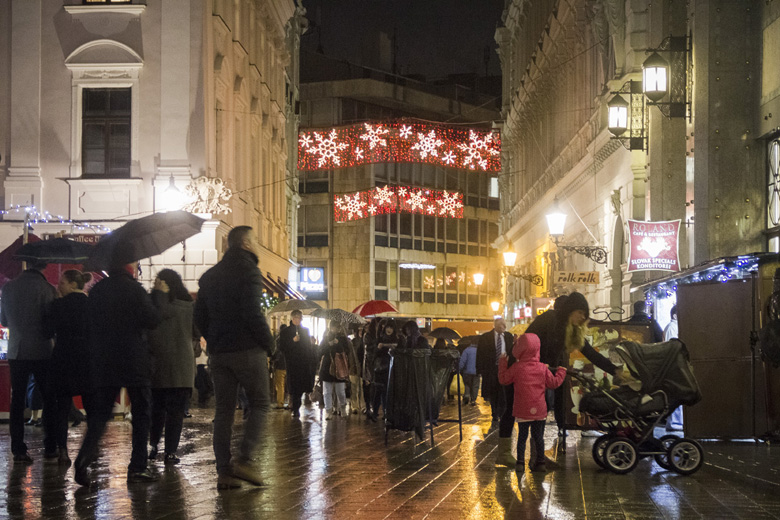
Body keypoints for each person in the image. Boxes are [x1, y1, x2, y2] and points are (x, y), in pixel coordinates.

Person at [194, 226, 273, 490]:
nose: (259, 245)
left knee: (224, 411)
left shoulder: (209, 277)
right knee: (261, 403)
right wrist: (270, 344)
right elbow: (253, 313)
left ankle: (224, 472)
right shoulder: (249, 271)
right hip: (247, 350)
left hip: (220, 354)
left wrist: (214, 340)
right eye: (256, 240)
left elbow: (199, 318)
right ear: (246, 243)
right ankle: (246, 460)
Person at [74, 263, 162, 486]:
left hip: (105, 360)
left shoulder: (97, 290)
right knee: (141, 413)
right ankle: (137, 467)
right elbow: (153, 319)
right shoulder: (135, 289)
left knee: (101, 415)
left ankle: (83, 459)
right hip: (133, 358)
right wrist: (158, 296)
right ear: (129, 268)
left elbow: (86, 325)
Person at [527, 292, 619, 440]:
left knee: (539, 411)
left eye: (585, 314)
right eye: (580, 312)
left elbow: (591, 354)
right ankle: (524, 453)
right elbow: (529, 342)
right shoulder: (550, 319)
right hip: (530, 371)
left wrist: (615, 370)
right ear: (570, 310)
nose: (583, 317)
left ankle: (537, 452)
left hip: (544, 372)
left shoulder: (573, 330)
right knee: (531, 412)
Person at [0, 260, 57, 464]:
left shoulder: (8, 288)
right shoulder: (49, 289)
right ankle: (51, 447)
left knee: (17, 401)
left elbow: (4, 321)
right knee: (49, 399)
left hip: (17, 350)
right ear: (43, 266)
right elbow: (52, 324)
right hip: (43, 351)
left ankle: (18, 449)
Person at [498, 333, 567, 473]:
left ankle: (520, 463)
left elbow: (504, 379)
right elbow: (553, 383)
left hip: (522, 409)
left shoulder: (517, 367)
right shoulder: (542, 368)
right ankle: (540, 462)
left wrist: (502, 363)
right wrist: (561, 372)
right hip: (539, 409)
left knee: (522, 437)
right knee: (538, 437)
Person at [147, 269, 195, 465]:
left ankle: (153, 445)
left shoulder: (154, 306)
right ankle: (171, 452)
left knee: (157, 408)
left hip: (157, 364)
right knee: (176, 412)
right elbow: (197, 331)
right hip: (182, 366)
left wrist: (158, 295)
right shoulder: (189, 306)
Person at [50, 269, 92, 466]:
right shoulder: (91, 305)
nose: (59, 285)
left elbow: (47, 330)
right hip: (86, 358)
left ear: (73, 284)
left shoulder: (58, 305)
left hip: (63, 358)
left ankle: (63, 451)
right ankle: (90, 449)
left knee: (62, 407)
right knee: (91, 405)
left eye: (62, 282)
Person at [476, 317, 517, 465]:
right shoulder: (486, 337)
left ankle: (501, 410)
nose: (504, 327)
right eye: (501, 325)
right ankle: (495, 413)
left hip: (505, 368)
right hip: (491, 369)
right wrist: (479, 370)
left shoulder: (508, 336)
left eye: (505, 325)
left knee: (504, 391)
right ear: (495, 326)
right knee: (493, 391)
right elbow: (480, 353)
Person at [278, 310, 316, 418]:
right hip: (292, 363)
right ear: (293, 318)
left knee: (301, 386)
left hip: (303, 363)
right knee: (294, 386)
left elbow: (308, 347)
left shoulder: (305, 331)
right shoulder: (285, 332)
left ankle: (297, 406)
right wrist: (292, 341)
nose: (299, 320)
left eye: (300, 318)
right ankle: (295, 408)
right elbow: (282, 347)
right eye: (297, 318)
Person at [367, 318, 401, 422]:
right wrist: (379, 348)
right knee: (378, 391)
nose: (389, 330)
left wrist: (385, 347)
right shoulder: (379, 338)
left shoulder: (397, 339)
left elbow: (398, 350)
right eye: (387, 327)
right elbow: (375, 353)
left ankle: (386, 412)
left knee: (387, 391)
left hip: (391, 369)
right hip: (380, 368)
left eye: (391, 327)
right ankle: (375, 412)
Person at [319, 320, 350, 419]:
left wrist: (338, 345)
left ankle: (343, 407)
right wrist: (330, 344)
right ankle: (328, 410)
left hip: (339, 367)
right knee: (326, 391)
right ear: (330, 327)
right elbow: (320, 351)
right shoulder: (325, 337)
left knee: (340, 391)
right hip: (327, 367)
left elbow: (346, 352)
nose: (336, 329)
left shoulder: (343, 338)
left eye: (337, 327)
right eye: (334, 327)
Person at [663, 305, 683, 431]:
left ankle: (677, 423)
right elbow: (672, 347)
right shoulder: (672, 327)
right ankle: (675, 423)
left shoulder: (674, 327)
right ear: (675, 315)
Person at [348, 326, 364, 414]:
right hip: (353, 368)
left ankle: (362, 406)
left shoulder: (364, 342)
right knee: (354, 387)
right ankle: (355, 406)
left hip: (362, 369)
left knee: (361, 387)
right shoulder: (352, 342)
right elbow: (350, 356)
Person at [458, 341, 479, 406]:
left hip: (467, 371)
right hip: (477, 372)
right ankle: (473, 400)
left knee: (467, 384)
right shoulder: (479, 351)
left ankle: (466, 395)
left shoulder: (466, 350)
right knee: (475, 386)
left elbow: (462, 361)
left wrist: (459, 368)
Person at [272, 332, 287, 410]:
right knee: (286, 385)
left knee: (280, 385)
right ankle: (288, 402)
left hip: (280, 367)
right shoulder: (289, 340)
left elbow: (275, 354)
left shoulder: (279, 343)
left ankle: (280, 403)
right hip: (287, 366)